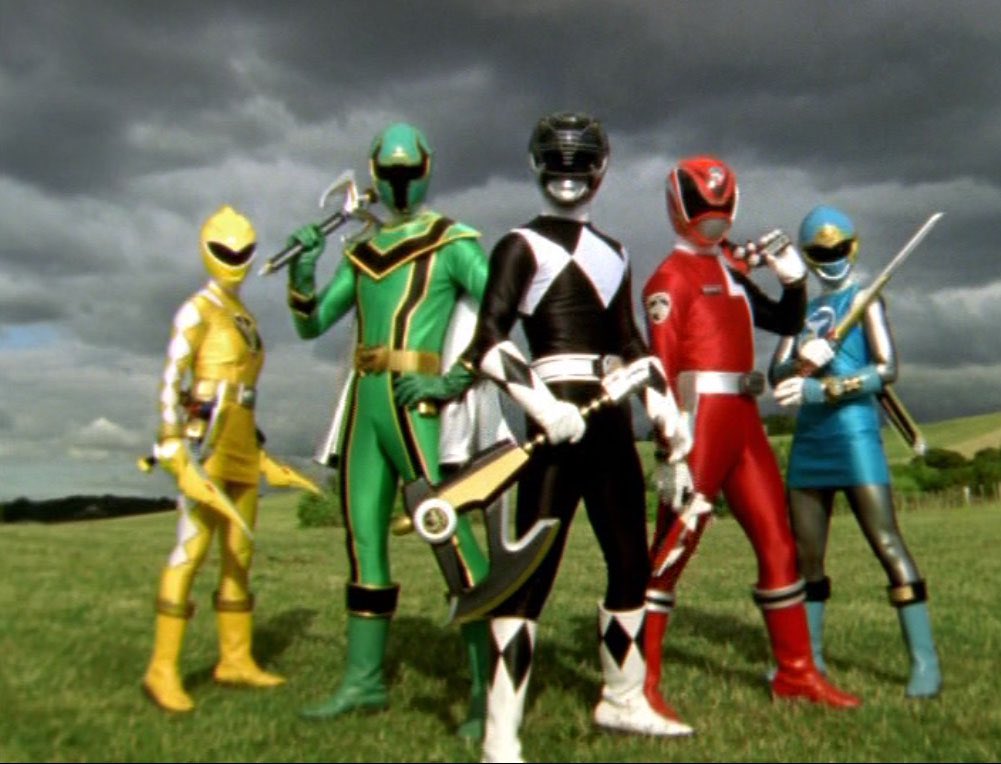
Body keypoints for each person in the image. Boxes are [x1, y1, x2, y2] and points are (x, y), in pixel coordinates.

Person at [452, 111, 694, 764]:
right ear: (538, 167)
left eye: (579, 163)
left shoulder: (615, 251)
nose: (568, 175)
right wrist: (538, 402)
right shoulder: (518, 245)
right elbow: (488, 341)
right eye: (558, 163)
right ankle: (501, 733)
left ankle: (623, 697)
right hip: (554, 423)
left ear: (600, 169)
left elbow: (628, 340)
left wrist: (662, 406)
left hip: (609, 419)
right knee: (527, 572)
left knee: (631, 562)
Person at [283, 122, 493, 738]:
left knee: (445, 529)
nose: (400, 184)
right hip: (365, 402)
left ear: (425, 170)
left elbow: (503, 310)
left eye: (409, 172)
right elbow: (312, 324)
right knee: (363, 539)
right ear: (376, 175)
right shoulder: (363, 252)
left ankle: (487, 687)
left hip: (413, 399)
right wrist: (301, 274)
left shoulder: (453, 241)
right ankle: (364, 680)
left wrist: (454, 380)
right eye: (391, 173)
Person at [641, 156, 861, 721]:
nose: (712, 218)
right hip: (701, 415)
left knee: (778, 541)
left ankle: (796, 672)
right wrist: (669, 444)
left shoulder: (728, 268)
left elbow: (785, 323)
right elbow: (659, 368)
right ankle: (640, 681)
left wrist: (793, 280)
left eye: (718, 206)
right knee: (674, 544)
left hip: (743, 414)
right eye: (702, 206)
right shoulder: (669, 279)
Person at [143, 205, 318, 712]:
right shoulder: (196, 309)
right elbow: (172, 378)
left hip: (242, 440)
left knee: (240, 553)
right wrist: (172, 444)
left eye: (244, 250)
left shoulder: (241, 314)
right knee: (191, 549)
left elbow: (242, 388)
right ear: (207, 250)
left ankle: (235, 659)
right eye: (225, 250)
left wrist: (260, 454)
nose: (236, 258)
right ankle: (162, 669)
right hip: (209, 442)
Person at [768, 204, 941, 698]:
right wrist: (802, 359)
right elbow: (778, 374)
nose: (831, 259)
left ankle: (924, 662)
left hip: (855, 435)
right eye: (820, 252)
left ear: (853, 247)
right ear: (807, 256)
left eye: (838, 249)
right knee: (806, 557)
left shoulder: (866, 300)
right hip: (810, 443)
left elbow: (886, 370)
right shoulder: (800, 310)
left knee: (887, 543)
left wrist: (825, 388)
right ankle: (809, 661)